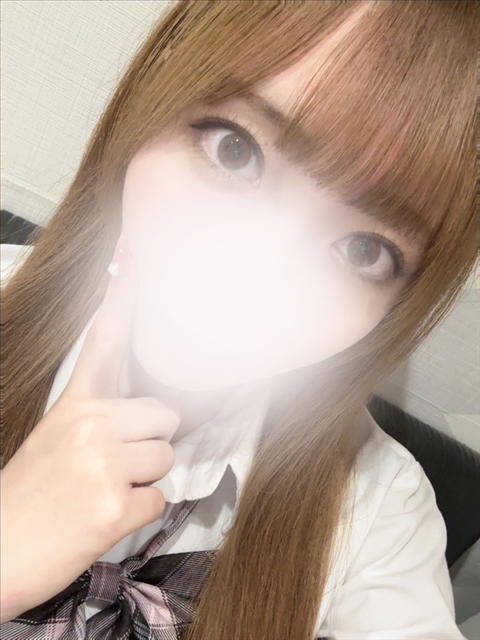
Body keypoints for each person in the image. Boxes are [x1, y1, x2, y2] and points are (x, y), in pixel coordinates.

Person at [1, 1, 477, 638]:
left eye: (365, 250)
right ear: (151, 99)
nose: (263, 274)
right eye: (235, 149)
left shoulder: (378, 513)